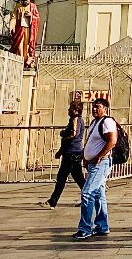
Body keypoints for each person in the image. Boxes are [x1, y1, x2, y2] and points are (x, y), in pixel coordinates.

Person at [74, 98, 118, 240]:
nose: (94, 109)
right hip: (93, 164)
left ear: (105, 108)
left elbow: (112, 141)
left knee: (87, 193)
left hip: (101, 163)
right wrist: (86, 157)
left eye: (97, 107)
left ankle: (85, 228)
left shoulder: (107, 122)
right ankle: (102, 226)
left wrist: (99, 156)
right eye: (93, 107)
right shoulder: (95, 122)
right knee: (99, 194)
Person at [39, 100, 85, 209]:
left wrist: (64, 135)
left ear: (76, 110)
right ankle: (91, 198)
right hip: (75, 152)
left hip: (71, 153)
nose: (69, 110)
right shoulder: (78, 120)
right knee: (78, 178)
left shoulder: (75, 119)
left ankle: (52, 202)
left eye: (71, 109)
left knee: (62, 177)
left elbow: (73, 133)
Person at [11, 0, 40, 68]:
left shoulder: (33, 7)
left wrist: (31, 15)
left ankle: (27, 60)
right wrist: (12, 26)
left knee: (27, 45)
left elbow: (37, 18)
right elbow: (13, 17)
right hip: (19, 30)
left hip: (29, 30)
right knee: (19, 45)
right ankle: (20, 60)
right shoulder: (18, 6)